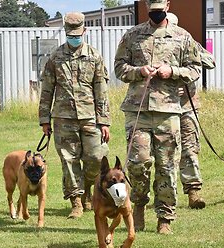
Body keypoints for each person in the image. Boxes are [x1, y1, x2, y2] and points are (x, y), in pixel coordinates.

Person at [114, 0, 202, 234]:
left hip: (169, 110)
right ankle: (139, 207)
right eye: (152, 9)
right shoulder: (132, 35)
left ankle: (165, 217)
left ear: (168, 6)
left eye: (159, 8)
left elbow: (195, 68)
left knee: (167, 165)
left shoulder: (182, 36)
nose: (156, 12)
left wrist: (172, 71)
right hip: (138, 110)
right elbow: (119, 67)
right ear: (146, 7)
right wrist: (138, 71)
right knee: (138, 163)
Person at [39, 12, 111, 219]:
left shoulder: (95, 56)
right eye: (70, 34)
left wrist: (104, 121)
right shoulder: (55, 57)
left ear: (84, 31)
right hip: (63, 118)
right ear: (65, 33)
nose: (74, 38)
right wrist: (45, 119)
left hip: (90, 118)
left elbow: (101, 91)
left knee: (96, 158)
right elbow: (47, 91)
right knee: (69, 160)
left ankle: (87, 187)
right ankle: (77, 202)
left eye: (77, 34)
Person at [167, 12, 216, 209]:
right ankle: (165, 195)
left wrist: (189, 65)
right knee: (165, 152)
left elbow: (210, 61)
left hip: (187, 106)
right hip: (162, 107)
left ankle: (194, 193)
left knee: (189, 149)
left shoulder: (189, 42)